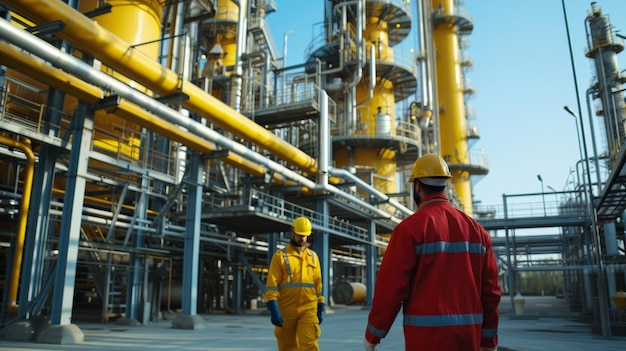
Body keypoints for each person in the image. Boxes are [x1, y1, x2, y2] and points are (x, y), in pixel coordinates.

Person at [364, 153, 501, 351]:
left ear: (417, 186)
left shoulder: (408, 230)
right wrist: (489, 340)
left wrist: (373, 335)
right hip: (468, 338)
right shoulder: (478, 232)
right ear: (445, 185)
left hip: (425, 339)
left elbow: (390, 288)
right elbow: (491, 292)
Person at [266, 216, 325, 351]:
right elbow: (271, 285)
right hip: (286, 310)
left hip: (308, 309)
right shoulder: (280, 257)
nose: (302, 239)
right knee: (287, 347)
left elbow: (318, 285)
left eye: (305, 236)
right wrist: (273, 309)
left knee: (310, 345)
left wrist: (320, 306)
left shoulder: (313, 257)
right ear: (292, 233)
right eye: (299, 235)